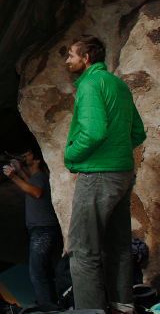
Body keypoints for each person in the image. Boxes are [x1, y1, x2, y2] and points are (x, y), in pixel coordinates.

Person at [63, 36, 146, 311]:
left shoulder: (89, 84)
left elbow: (94, 132)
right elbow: (138, 132)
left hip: (98, 176)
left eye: (72, 55)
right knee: (119, 245)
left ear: (87, 58)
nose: (67, 60)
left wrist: (70, 155)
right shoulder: (118, 84)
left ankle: (90, 310)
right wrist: (116, 153)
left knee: (83, 251)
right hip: (122, 174)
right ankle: (123, 306)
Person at [3, 147, 62, 309]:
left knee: (36, 272)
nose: (24, 156)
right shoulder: (39, 176)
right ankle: (52, 302)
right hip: (46, 228)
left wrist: (13, 176)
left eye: (27, 154)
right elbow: (31, 184)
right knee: (47, 269)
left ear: (37, 159)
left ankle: (46, 306)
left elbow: (35, 192)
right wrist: (20, 171)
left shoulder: (40, 177)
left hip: (42, 230)